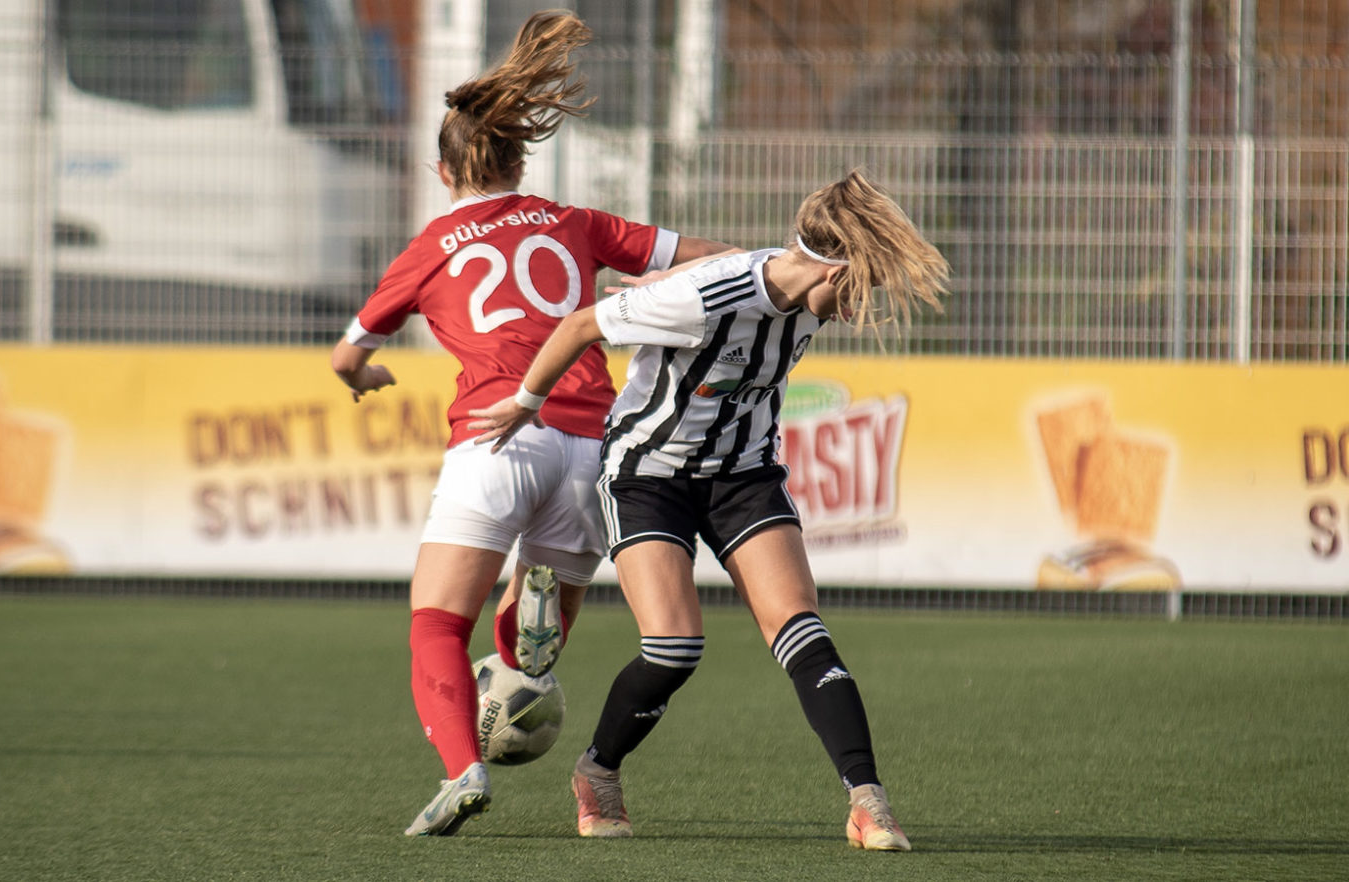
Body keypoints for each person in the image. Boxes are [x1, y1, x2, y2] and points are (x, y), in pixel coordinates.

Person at [329, 10, 734, 838]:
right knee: (529, 631)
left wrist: (367, 375)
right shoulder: (573, 223)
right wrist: (751, 278)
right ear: (521, 158)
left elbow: (346, 355)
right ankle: (524, 646)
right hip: (591, 445)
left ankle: (462, 768)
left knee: (437, 621)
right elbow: (700, 253)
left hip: (495, 437)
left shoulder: (432, 243)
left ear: (443, 172)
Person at [467, 170, 950, 850]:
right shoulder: (705, 300)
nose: (863, 302)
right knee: (674, 647)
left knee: (803, 631)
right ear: (833, 268)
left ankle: (869, 802)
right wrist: (526, 403)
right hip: (646, 475)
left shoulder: (799, 285)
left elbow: (750, 259)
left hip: (743, 474)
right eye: (863, 282)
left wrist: (666, 283)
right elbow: (580, 325)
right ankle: (597, 771)